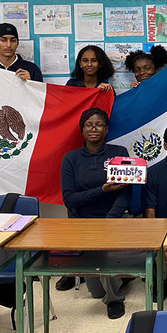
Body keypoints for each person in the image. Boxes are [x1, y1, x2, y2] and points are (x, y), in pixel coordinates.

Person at [59, 107, 131, 319]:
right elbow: (69, 199)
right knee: (96, 291)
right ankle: (120, 278)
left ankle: (114, 300)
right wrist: (101, 190)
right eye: (89, 125)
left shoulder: (119, 154)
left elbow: (126, 194)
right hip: (82, 222)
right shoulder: (70, 159)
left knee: (105, 264)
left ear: (106, 129)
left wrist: (109, 219)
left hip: (112, 219)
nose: (94, 128)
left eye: (99, 125)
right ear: (82, 129)